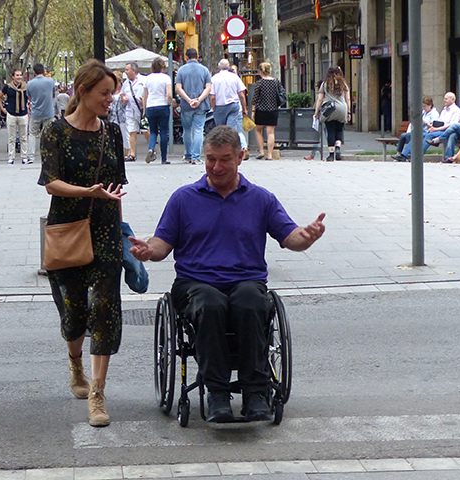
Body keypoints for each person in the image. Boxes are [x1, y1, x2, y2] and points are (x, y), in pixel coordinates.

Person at [128, 125, 325, 423]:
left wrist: (307, 236)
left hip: (245, 280)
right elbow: (161, 243)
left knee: (251, 302)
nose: (216, 167)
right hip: (195, 283)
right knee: (210, 304)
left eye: (224, 159)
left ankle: (256, 392)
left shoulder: (260, 199)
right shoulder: (184, 199)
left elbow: (290, 237)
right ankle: (216, 392)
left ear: (240, 157)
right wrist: (147, 250)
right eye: (210, 159)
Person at [38, 59, 127, 428]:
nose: (110, 99)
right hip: (67, 228)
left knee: (104, 309)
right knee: (74, 315)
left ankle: (97, 393)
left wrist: (122, 230)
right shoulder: (54, 132)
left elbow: (117, 186)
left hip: (105, 230)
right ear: (83, 92)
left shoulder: (114, 132)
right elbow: (50, 182)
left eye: (112, 93)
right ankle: (75, 364)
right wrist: (86, 191)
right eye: (104, 93)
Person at [393, 92, 460, 162]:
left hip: (447, 131)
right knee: (418, 135)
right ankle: (404, 154)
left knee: (429, 135)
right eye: (444, 98)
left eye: (446, 99)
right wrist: (433, 127)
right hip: (439, 130)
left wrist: (436, 129)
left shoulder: (456, 110)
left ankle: (417, 156)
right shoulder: (444, 110)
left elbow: (452, 125)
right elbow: (439, 122)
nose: (444, 100)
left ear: (452, 100)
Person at [174, 48, 212, 165]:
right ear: (197, 55)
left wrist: (189, 100)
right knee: (199, 129)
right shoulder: (204, 70)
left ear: (186, 57)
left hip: (186, 106)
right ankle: (196, 157)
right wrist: (199, 100)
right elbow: (208, 88)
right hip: (201, 106)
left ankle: (188, 154)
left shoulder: (181, 70)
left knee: (187, 129)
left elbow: (178, 88)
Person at [210, 59, 248, 158]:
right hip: (233, 106)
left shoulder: (214, 78)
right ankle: (237, 149)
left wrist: (213, 107)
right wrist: (244, 108)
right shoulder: (235, 77)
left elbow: (213, 96)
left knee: (221, 131)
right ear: (229, 66)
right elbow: (241, 94)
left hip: (219, 106)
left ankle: (222, 150)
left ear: (219, 67)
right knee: (233, 130)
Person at [313, 67, 351, 161]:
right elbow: (348, 99)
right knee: (340, 129)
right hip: (342, 109)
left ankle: (331, 154)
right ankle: (338, 147)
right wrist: (349, 111)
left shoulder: (325, 84)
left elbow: (320, 99)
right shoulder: (344, 84)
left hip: (330, 110)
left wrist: (316, 112)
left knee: (330, 131)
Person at [251, 62, 286, 160]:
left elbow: (255, 98)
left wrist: (253, 111)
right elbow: (282, 93)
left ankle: (261, 151)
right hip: (273, 110)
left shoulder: (259, 83)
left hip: (261, 110)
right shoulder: (276, 82)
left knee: (258, 130)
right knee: (270, 133)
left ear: (260, 71)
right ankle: (270, 154)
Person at [142, 58, 172, 165]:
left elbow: (145, 96)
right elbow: (169, 94)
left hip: (150, 106)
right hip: (163, 105)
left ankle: (151, 148)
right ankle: (164, 158)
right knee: (164, 132)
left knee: (153, 131)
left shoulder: (147, 78)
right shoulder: (166, 78)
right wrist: (169, 103)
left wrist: (144, 110)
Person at [0, 69, 31, 165]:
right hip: (11, 113)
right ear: (13, 76)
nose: (19, 77)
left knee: (24, 137)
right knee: (11, 137)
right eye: (17, 75)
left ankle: (24, 157)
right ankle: (11, 157)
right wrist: (2, 108)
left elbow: (30, 97)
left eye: (20, 75)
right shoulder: (8, 87)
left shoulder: (26, 87)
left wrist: (29, 106)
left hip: (23, 114)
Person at [27, 63, 56, 163]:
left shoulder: (30, 83)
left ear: (34, 72)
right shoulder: (50, 81)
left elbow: (30, 98)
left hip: (35, 113)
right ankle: (48, 155)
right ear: (44, 71)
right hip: (49, 113)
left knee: (32, 134)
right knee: (48, 134)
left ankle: (31, 156)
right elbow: (53, 94)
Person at [120, 62, 147, 162]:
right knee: (132, 131)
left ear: (133, 70)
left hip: (141, 110)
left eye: (127, 70)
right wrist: (123, 97)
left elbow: (148, 92)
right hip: (130, 110)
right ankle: (132, 154)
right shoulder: (126, 83)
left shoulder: (143, 80)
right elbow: (122, 93)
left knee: (146, 131)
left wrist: (144, 99)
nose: (125, 72)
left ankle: (152, 149)